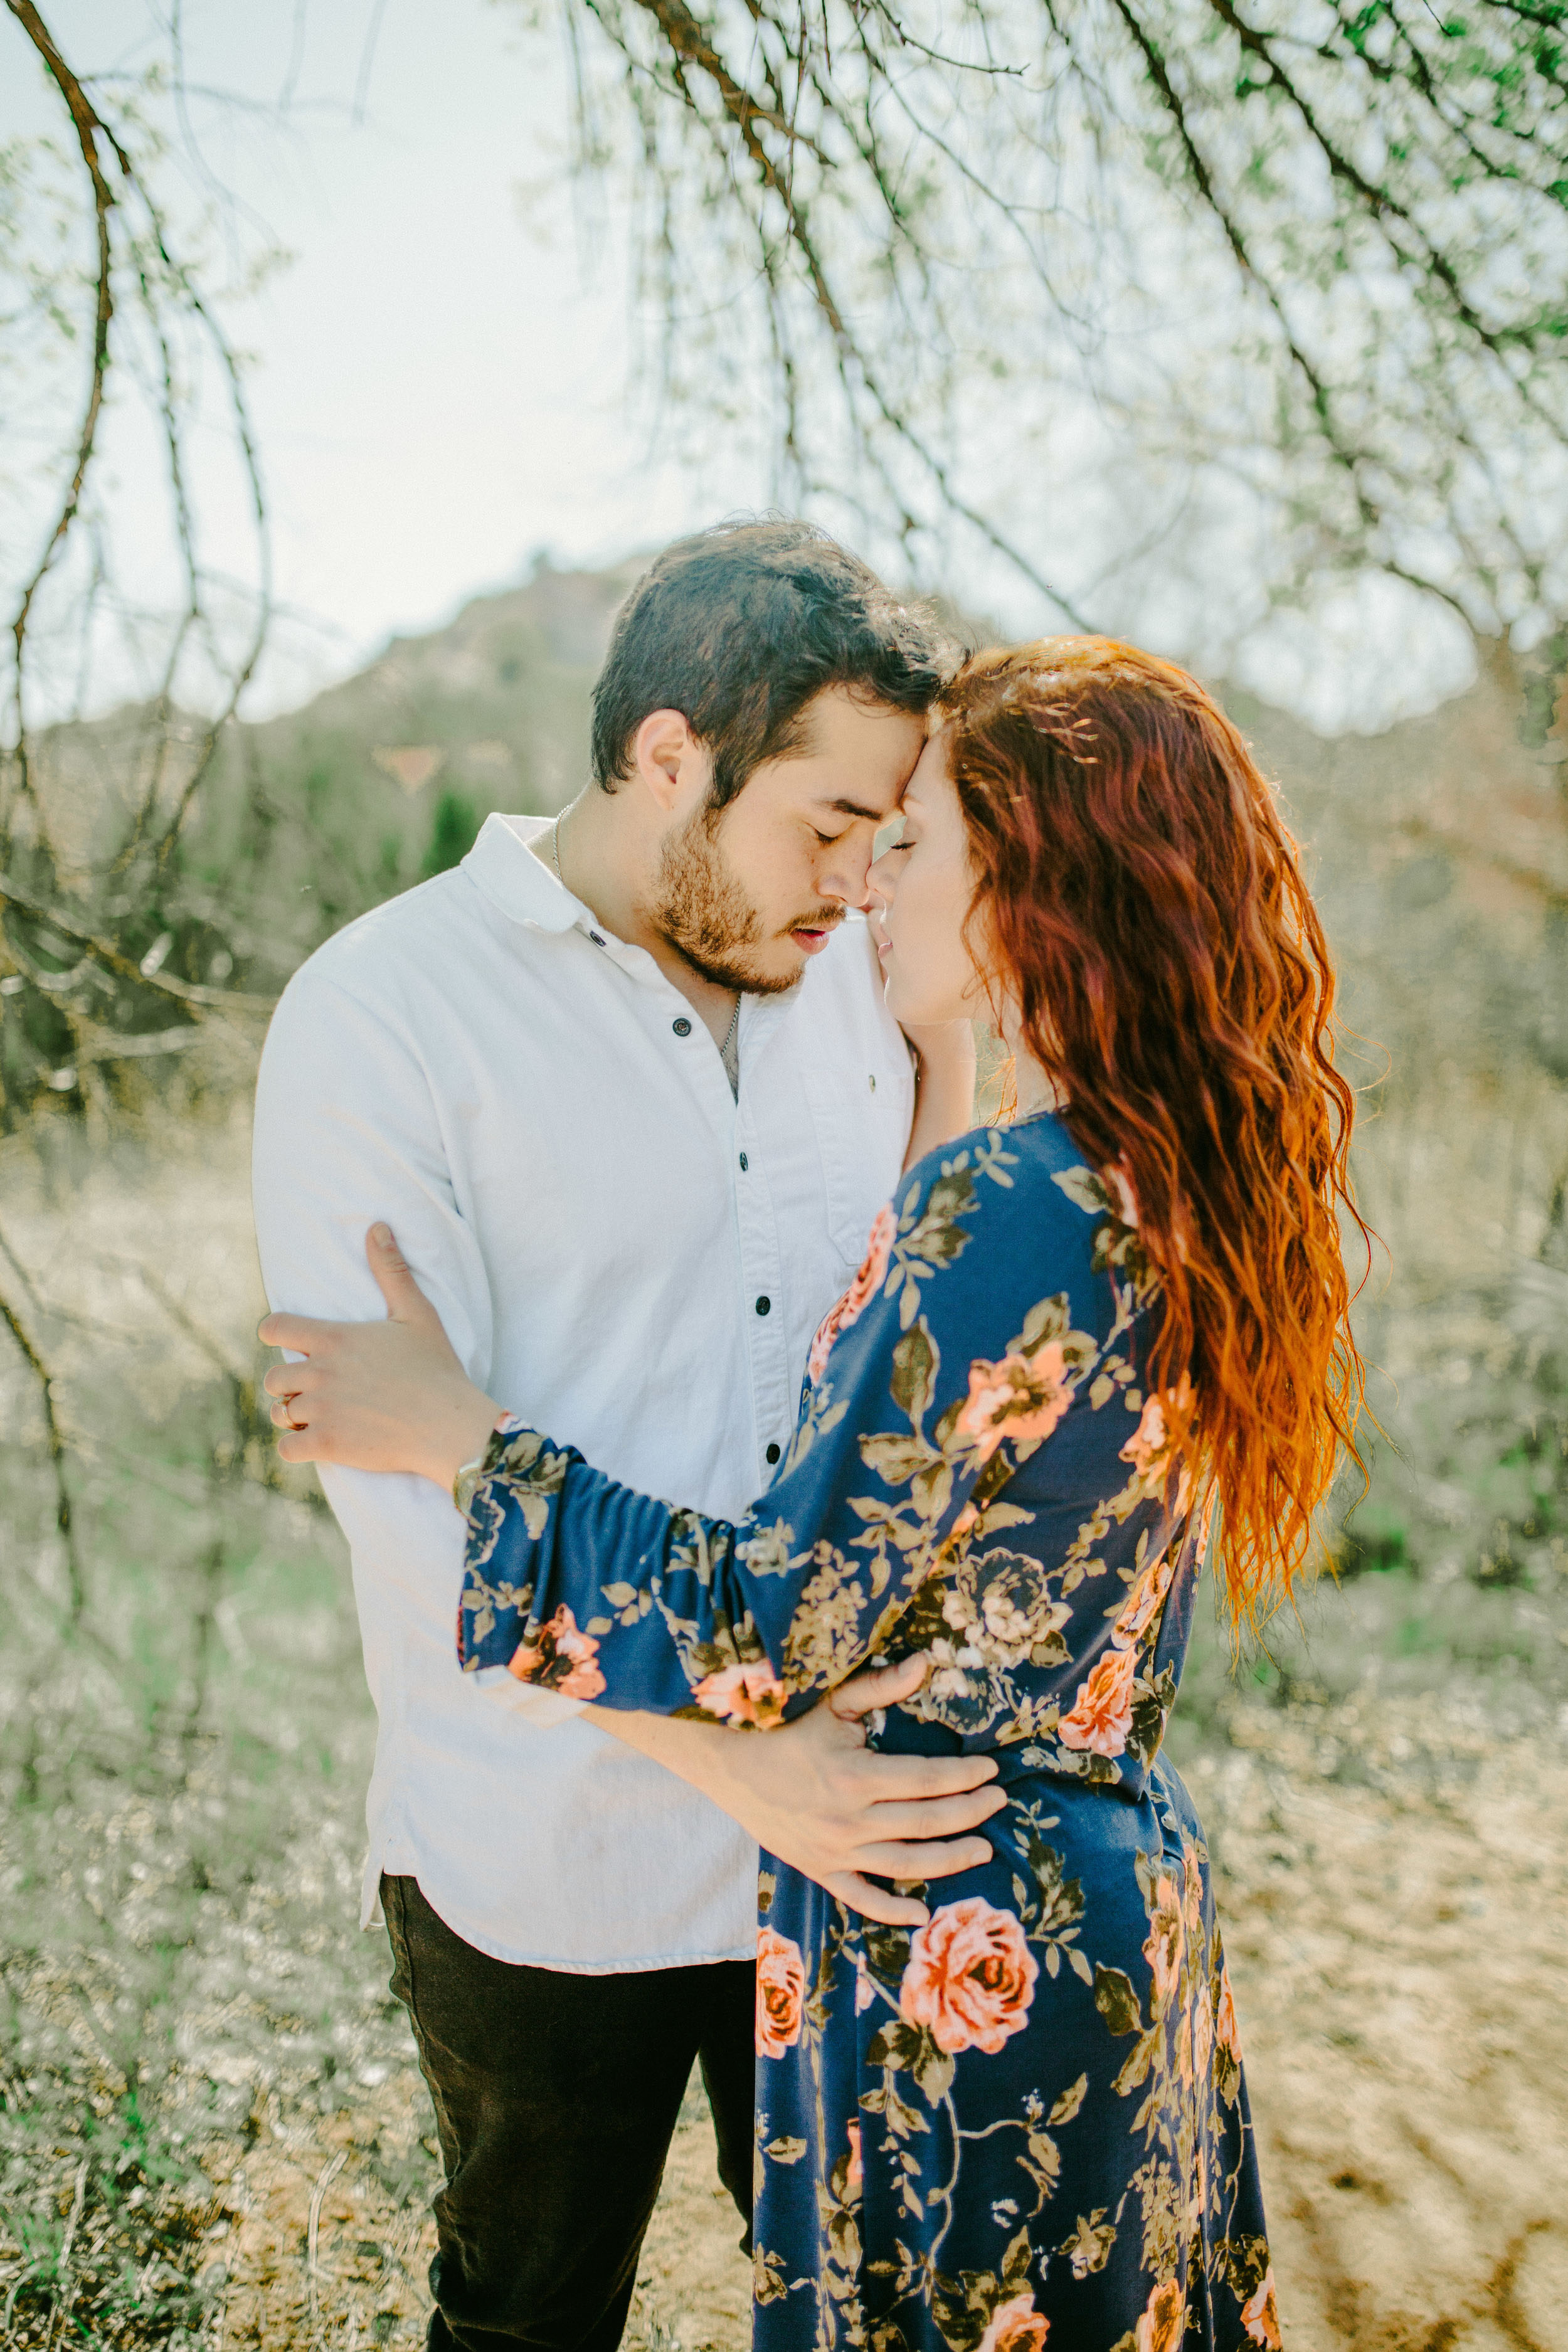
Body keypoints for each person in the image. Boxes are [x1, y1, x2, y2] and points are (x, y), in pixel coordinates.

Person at [263, 636, 1368, 2348]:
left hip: (945, 1922)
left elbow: (771, 1618)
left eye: (912, 846)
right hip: (1105, 1892)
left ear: (1034, 886)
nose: (871, 891)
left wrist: (468, 1443)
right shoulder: (1167, 1174)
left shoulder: (1004, 1203)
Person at [250, 520, 1007, 2352]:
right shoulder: (385, 1012)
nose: (859, 876)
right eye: (825, 822)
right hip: (541, 1844)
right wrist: (747, 1767)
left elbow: (909, 1350)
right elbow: (405, 1495)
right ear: (669, 756)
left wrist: (949, 1065)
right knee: (526, 2311)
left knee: (868, 2300)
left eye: (886, 832)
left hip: (844, 1836)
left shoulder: (861, 985)